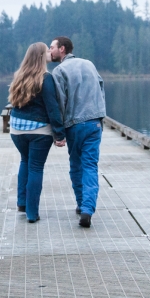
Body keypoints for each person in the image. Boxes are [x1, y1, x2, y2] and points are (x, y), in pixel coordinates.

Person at [49, 36, 106, 228]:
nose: (50, 51)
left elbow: (60, 102)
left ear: (62, 49)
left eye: (52, 47)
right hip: (94, 122)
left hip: (74, 124)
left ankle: (82, 205)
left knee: (76, 166)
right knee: (90, 166)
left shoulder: (59, 70)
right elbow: (101, 89)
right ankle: (87, 209)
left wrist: (59, 132)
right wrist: (100, 116)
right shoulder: (89, 64)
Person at [8, 42, 66, 223]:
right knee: (35, 167)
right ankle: (32, 214)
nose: (50, 52)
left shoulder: (19, 76)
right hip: (39, 131)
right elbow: (52, 108)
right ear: (41, 56)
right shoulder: (45, 78)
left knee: (25, 161)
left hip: (17, 130)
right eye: (47, 50)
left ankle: (22, 203)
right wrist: (59, 134)